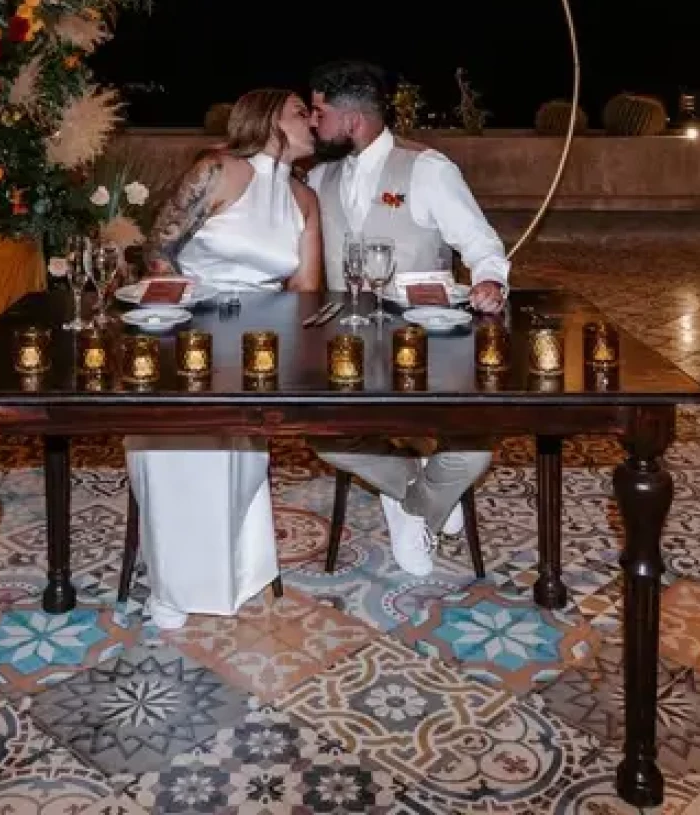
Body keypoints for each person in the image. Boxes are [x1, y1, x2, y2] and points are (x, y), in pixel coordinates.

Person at [124, 88, 322, 629]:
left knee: (239, 458)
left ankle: (233, 570)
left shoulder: (305, 199)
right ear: (267, 121)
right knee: (181, 458)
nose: (313, 119)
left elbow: (306, 288)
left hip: (260, 341)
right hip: (189, 327)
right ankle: (172, 583)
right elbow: (158, 250)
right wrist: (182, 307)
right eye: (301, 111)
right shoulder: (218, 170)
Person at [306, 59, 510, 578]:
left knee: (474, 450)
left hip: (426, 345)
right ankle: (410, 480)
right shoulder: (317, 176)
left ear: (351, 121)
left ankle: (413, 504)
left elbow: (483, 245)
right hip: (345, 347)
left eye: (319, 112)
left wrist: (490, 280)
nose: (313, 123)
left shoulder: (427, 169)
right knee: (322, 434)